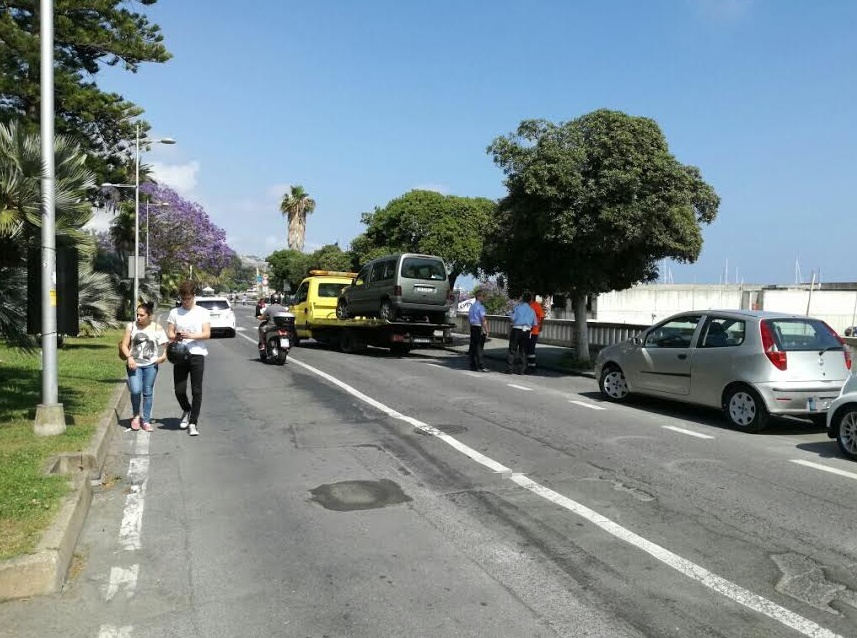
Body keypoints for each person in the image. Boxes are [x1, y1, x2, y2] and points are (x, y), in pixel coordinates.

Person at [167, 281, 211, 437]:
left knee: (196, 390)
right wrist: (177, 336)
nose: (185, 301)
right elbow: (170, 334)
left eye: (188, 298)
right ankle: (186, 409)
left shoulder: (202, 312)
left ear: (194, 296)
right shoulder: (174, 312)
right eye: (183, 298)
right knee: (179, 390)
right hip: (179, 354)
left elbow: (207, 334)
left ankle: (193, 422)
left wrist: (191, 336)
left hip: (197, 353)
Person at [121, 302, 168, 432]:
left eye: (142, 315)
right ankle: (136, 416)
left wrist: (164, 356)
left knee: (147, 392)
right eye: (137, 314)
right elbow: (124, 345)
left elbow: (166, 345)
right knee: (135, 390)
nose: (138, 317)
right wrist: (129, 358)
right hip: (134, 365)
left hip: (151, 366)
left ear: (149, 316)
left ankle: (146, 420)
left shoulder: (156, 328)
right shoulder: (131, 326)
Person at [506, 293, 537, 374]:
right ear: (530, 300)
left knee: (512, 349)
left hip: (516, 329)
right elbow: (535, 324)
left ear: (523, 299)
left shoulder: (517, 308)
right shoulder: (532, 310)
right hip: (526, 330)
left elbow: (512, 318)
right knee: (523, 350)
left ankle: (509, 368)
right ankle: (521, 370)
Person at [468, 289, 490, 372]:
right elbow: (483, 319)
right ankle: (481, 365)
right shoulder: (480, 307)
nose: (483, 298)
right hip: (479, 327)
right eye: (483, 296)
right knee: (479, 347)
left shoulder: (472, 306)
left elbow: (469, 318)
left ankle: (472, 365)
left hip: (473, 327)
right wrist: (487, 330)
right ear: (478, 296)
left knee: (473, 347)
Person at [527, 294, 546, 373]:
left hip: (534, 330)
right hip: (526, 330)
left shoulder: (536, 305)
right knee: (527, 348)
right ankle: (528, 365)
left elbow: (541, 316)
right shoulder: (526, 306)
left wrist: (541, 325)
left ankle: (532, 366)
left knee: (531, 348)